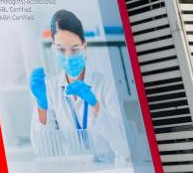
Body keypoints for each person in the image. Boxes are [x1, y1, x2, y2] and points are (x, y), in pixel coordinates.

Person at [28, 9, 131, 162]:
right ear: (53, 49)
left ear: (85, 47)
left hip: (107, 170)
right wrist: (41, 105)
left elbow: (125, 149)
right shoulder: (49, 89)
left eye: (75, 49)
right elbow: (43, 151)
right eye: (61, 49)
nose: (68, 56)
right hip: (73, 171)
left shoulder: (106, 85)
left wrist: (95, 105)